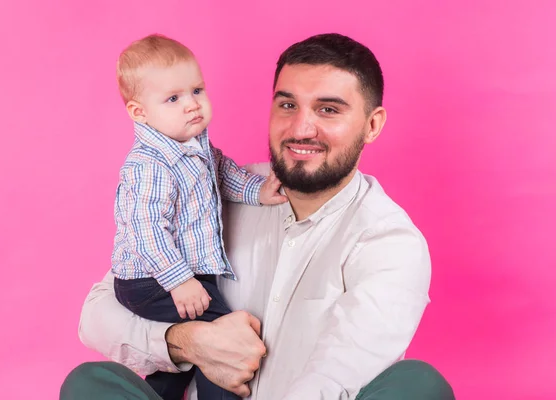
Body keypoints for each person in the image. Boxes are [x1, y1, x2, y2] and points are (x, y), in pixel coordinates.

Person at [61, 33, 455, 400]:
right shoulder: (214, 193)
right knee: (91, 383)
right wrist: (188, 340)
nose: (302, 128)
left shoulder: (389, 242)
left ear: (372, 125)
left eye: (328, 109)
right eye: (287, 105)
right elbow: (98, 313)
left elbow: (336, 377)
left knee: (418, 386)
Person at [110, 34, 287, 400]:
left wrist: (257, 191)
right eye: (173, 98)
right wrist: (179, 280)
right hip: (152, 278)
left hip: (182, 274)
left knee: (186, 352)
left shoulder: (194, 143)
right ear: (139, 112)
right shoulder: (150, 165)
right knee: (222, 335)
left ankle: (156, 394)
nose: (192, 105)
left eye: (197, 90)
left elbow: (220, 173)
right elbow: (146, 231)